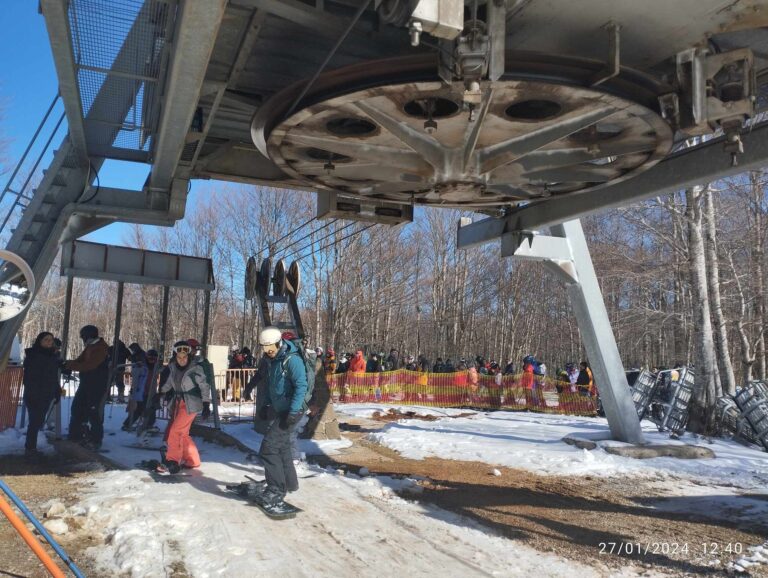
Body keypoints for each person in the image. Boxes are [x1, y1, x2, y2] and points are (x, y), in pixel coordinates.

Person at [254, 327, 308, 515]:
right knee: (282, 447)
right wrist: (266, 405)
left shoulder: (292, 360)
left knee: (268, 449)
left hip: (292, 411)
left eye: (270, 348)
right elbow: (273, 386)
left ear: (279, 343)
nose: (267, 352)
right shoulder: (274, 360)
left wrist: (293, 413)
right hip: (280, 410)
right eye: (265, 348)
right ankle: (290, 483)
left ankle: (276, 490)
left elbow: (301, 386)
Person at [157, 340, 212, 473]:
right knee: (183, 434)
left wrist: (206, 404)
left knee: (175, 431)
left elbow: (204, 386)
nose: (182, 360)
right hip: (178, 402)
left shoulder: (195, 369)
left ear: (189, 356)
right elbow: (169, 383)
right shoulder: (173, 368)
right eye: (179, 357)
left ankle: (172, 461)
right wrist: (160, 394)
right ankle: (193, 460)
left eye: (184, 357)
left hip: (191, 403)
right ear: (175, 357)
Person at [66, 325, 110, 450]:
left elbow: (89, 365)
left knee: (93, 411)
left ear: (88, 336)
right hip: (86, 382)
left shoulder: (101, 348)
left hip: (96, 384)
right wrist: (67, 364)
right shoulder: (91, 347)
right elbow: (80, 361)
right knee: (77, 407)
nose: (83, 340)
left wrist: (70, 365)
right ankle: (77, 434)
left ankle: (96, 440)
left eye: (83, 337)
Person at [22, 332, 61, 457]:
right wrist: (32, 393)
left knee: (38, 420)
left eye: (51, 340)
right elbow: (29, 377)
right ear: (40, 341)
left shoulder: (53, 356)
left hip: (47, 393)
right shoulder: (34, 355)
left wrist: (57, 390)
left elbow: (53, 376)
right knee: (35, 421)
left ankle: (31, 446)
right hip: (34, 393)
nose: (49, 342)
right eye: (46, 339)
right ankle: (30, 447)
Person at [122, 343, 149, 431]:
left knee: (139, 408)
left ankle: (131, 423)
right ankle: (128, 423)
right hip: (138, 386)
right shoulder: (137, 355)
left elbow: (140, 364)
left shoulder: (141, 355)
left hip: (140, 384)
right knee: (137, 408)